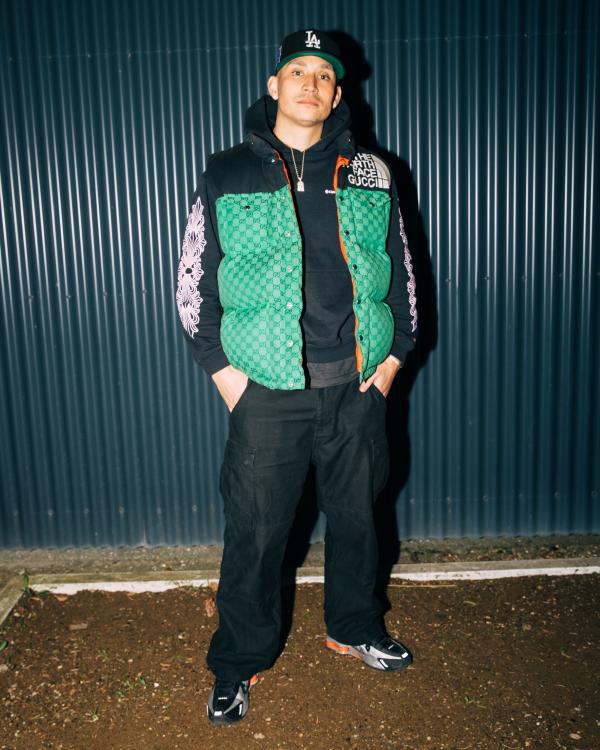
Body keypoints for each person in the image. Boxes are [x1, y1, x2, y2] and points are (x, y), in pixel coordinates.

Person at [176, 28, 418, 725]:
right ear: (274, 86)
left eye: (324, 75)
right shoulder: (226, 172)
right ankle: (237, 661)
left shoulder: (372, 172)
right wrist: (228, 378)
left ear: (337, 94)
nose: (310, 84)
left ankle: (354, 626)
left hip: (357, 387)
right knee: (255, 532)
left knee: (359, 519)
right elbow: (193, 285)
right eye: (297, 71)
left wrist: (391, 362)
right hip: (265, 392)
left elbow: (402, 274)